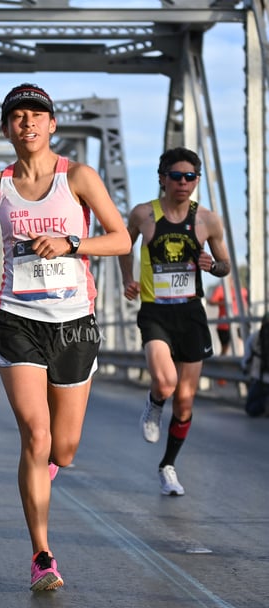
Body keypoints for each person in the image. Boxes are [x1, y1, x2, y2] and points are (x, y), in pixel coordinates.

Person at [0, 83, 130, 591]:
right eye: (17, 116)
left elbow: (120, 238)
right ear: (6, 128)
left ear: (52, 125)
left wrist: (72, 243)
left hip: (74, 321)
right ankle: (42, 556)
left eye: (37, 115)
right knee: (36, 434)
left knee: (65, 448)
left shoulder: (79, 177)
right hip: (17, 319)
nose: (27, 122)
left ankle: (47, 467)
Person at [119, 147, 230, 496]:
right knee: (165, 383)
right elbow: (124, 245)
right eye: (177, 176)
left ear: (196, 181)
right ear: (162, 178)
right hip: (155, 311)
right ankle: (153, 404)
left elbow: (225, 265)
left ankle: (168, 466)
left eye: (190, 177)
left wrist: (214, 266)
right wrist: (128, 279)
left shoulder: (207, 220)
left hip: (191, 313)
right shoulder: (143, 215)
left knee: (184, 401)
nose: (184, 183)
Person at [207, 278, 248, 355]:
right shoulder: (221, 290)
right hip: (224, 324)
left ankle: (241, 360)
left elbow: (247, 302)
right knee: (225, 347)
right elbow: (210, 301)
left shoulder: (242, 291)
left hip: (239, 321)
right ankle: (222, 364)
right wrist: (223, 303)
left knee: (242, 342)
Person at [241, 312, 269, 417]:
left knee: (250, 409)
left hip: (259, 380)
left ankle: (264, 404)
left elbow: (246, 359)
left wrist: (245, 369)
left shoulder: (255, 337)